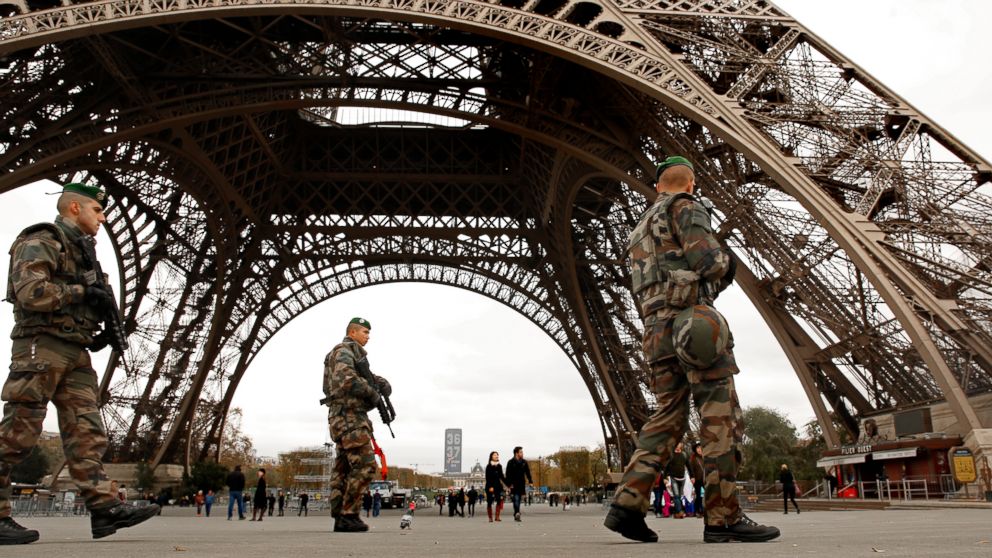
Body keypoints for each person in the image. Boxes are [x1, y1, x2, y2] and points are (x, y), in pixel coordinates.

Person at [604, 156, 780, 544]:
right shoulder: (685, 207)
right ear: (691, 184)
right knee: (720, 419)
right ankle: (723, 516)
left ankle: (628, 504)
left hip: (655, 331)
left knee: (667, 417)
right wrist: (726, 261)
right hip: (691, 325)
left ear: (658, 186)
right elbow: (709, 262)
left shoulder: (638, 229)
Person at [0, 183, 161, 545]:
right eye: (98, 211)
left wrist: (98, 329)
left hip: (75, 351)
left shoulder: (85, 252)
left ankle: (104, 510)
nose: (103, 218)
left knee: (87, 433)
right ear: (75, 207)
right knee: (18, 434)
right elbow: (30, 292)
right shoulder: (43, 238)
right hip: (41, 347)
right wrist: (81, 292)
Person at [324, 318, 391, 533]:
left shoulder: (349, 354)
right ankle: (349, 514)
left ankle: (340, 515)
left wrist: (378, 382)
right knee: (365, 465)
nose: (368, 336)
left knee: (343, 468)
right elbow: (347, 379)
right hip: (350, 418)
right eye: (365, 332)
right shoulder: (345, 351)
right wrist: (373, 393)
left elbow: (349, 379)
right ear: (352, 332)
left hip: (342, 417)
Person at [504, 446, 533, 522]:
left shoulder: (524, 462)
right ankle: (517, 512)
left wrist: (530, 481)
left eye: (522, 452)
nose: (522, 453)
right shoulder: (510, 462)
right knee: (516, 498)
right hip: (513, 484)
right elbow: (507, 474)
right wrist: (509, 484)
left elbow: (528, 472)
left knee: (518, 499)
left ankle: (516, 513)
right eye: (521, 452)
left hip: (521, 483)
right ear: (516, 453)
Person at [666, 441, 687, 519]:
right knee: (676, 495)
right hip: (673, 477)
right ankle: (679, 511)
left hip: (682, 477)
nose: (678, 445)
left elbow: (688, 465)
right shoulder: (671, 455)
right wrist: (665, 477)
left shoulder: (684, 455)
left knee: (680, 496)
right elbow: (666, 467)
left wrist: (692, 476)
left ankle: (677, 512)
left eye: (680, 443)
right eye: (677, 444)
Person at [484, 451, 507, 523]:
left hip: (497, 486)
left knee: (499, 501)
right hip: (490, 486)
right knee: (489, 502)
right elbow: (487, 477)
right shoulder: (488, 466)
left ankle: (497, 517)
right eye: (495, 455)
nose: (496, 456)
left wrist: (508, 484)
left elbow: (502, 477)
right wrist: (490, 486)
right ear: (491, 457)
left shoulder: (499, 466)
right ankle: (490, 517)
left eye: (497, 455)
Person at [689, 442, 704, 518]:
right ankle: (698, 511)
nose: (699, 450)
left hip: (705, 479)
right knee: (698, 496)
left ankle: (704, 510)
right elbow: (691, 469)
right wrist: (692, 477)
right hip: (697, 479)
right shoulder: (694, 458)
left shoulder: (706, 457)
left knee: (706, 496)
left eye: (701, 448)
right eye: (698, 448)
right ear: (695, 449)